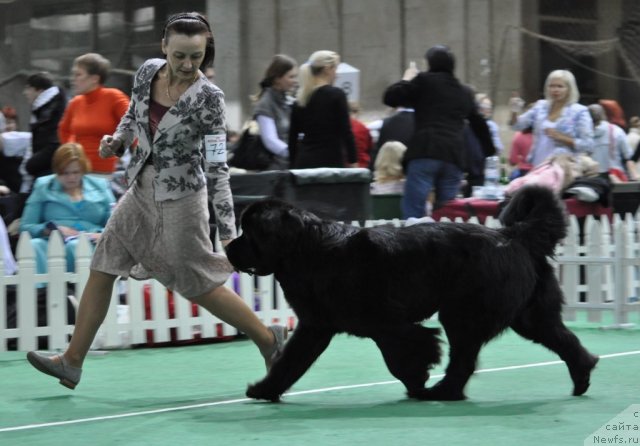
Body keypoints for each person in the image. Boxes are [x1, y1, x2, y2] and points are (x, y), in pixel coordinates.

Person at [26, 12, 287, 389]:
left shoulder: (210, 99)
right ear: (164, 47)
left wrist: (229, 232)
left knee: (197, 282)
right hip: (140, 189)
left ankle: (267, 339)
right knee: (103, 264)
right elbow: (133, 116)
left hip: (183, 199)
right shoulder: (147, 72)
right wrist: (116, 140)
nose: (186, 64)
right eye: (179, 55)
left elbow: (217, 168)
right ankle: (72, 361)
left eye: (195, 57)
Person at [383, 45, 495, 218]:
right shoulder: (464, 91)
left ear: (430, 63)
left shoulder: (423, 81)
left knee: (414, 211)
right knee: (447, 213)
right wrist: (489, 151)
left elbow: (390, 97)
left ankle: (413, 243)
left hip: (425, 152)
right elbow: (479, 124)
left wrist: (406, 79)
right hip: (453, 157)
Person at [20, 143, 115, 276]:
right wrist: (46, 229)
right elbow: (25, 226)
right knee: (34, 245)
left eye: (76, 172)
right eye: (65, 173)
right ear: (56, 171)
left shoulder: (100, 185)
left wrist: (101, 235)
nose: (71, 178)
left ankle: (79, 292)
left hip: (93, 242)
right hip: (54, 242)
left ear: (83, 169)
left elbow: (117, 223)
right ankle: (42, 293)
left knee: (75, 247)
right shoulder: (43, 186)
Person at [58, 53, 130, 176]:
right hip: (78, 173)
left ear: (94, 79)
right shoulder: (75, 103)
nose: (72, 79)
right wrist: (73, 153)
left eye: (78, 74)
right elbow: (64, 131)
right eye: (73, 74)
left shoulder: (113, 97)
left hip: (104, 173)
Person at [509, 69, 594, 168]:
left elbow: (588, 145)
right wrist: (514, 110)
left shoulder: (580, 111)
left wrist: (563, 138)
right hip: (538, 165)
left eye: (560, 86)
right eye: (552, 86)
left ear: (569, 89)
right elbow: (516, 126)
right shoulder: (540, 106)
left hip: (564, 169)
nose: (555, 90)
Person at [288, 50, 358, 169]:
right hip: (330, 161)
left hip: (304, 162)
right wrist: (353, 161)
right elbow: (346, 132)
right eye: (335, 69)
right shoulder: (337, 95)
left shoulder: (300, 99)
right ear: (327, 69)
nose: (337, 74)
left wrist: (293, 164)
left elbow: (292, 137)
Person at [251, 54, 298, 170]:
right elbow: (270, 140)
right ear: (278, 78)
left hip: (291, 166)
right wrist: (295, 154)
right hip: (276, 172)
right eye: (291, 77)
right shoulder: (266, 104)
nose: (295, 81)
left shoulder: (289, 101)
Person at [23, 72, 68, 182]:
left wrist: (31, 165)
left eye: (28, 88)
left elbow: (55, 142)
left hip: (49, 172)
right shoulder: (44, 109)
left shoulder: (51, 110)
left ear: (39, 90)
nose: (25, 93)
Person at [587, 104, 637, 182]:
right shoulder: (616, 131)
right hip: (615, 178)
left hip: (592, 180)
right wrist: (635, 177)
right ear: (603, 114)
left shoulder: (583, 136)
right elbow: (628, 157)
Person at [349, 101, 373, 168]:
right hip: (362, 165)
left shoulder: (336, 125)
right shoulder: (362, 127)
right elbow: (369, 147)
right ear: (356, 112)